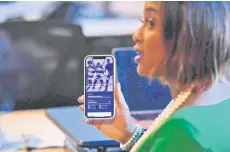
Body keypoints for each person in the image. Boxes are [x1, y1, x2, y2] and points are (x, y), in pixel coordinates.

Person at [78, 2, 230, 152]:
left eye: (151, 23)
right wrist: (128, 135)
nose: (136, 35)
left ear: (188, 36)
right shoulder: (216, 97)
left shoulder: (181, 131)